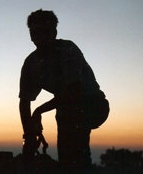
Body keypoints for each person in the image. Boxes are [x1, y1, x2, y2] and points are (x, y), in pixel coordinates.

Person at [19, 9, 105, 173]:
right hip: (67, 107)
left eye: (46, 31)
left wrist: (39, 110)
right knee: (66, 146)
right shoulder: (31, 63)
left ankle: (77, 165)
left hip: (93, 104)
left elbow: (73, 92)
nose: (41, 36)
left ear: (54, 32)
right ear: (31, 34)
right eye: (36, 31)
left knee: (69, 116)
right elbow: (24, 101)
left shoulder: (67, 49)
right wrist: (29, 135)